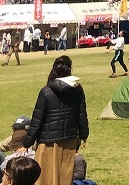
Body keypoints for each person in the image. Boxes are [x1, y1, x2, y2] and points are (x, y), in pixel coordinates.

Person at [22, 55, 88, 185]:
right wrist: (84, 134)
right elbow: (81, 114)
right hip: (69, 140)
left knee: (44, 178)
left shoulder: (46, 91)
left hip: (47, 142)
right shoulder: (77, 90)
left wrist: (27, 142)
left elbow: (37, 120)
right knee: (65, 178)